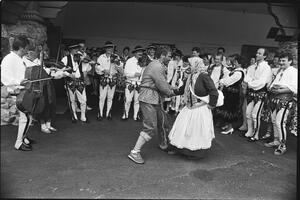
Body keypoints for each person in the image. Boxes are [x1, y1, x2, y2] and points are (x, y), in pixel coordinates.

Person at [127, 47, 175, 164]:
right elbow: (161, 85)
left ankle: (164, 144)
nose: (170, 58)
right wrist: (172, 92)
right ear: (162, 55)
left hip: (154, 98)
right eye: (169, 56)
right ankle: (134, 152)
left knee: (163, 122)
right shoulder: (157, 66)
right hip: (148, 98)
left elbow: (161, 83)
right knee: (150, 127)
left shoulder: (157, 65)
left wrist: (170, 88)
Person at [168, 54, 219, 159]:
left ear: (196, 65)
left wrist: (211, 105)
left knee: (196, 131)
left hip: (199, 108)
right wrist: (169, 92)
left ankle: (195, 153)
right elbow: (182, 89)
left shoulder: (204, 76)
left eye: (190, 64)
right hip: (189, 107)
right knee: (182, 129)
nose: (189, 66)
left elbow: (214, 92)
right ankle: (180, 149)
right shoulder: (191, 75)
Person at [1, 35, 33, 151]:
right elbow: (4, 78)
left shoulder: (21, 59)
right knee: (26, 117)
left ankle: (24, 138)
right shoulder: (8, 59)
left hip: (24, 92)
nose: (27, 50)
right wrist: (18, 82)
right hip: (17, 92)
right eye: (26, 48)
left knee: (28, 116)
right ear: (21, 47)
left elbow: (32, 68)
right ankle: (18, 143)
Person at [263, 53, 297, 155]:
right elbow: (273, 84)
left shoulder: (294, 72)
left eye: (284, 61)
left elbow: (295, 88)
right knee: (274, 120)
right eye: (280, 60)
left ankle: (282, 145)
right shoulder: (280, 71)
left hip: (285, 101)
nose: (281, 62)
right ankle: (276, 140)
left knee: (280, 122)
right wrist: (273, 88)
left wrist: (281, 90)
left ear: (290, 61)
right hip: (275, 100)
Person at [244, 48, 272, 141]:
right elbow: (247, 77)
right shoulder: (252, 66)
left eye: (260, 53)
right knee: (248, 113)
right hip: (252, 93)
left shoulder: (266, 68)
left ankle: (255, 135)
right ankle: (249, 131)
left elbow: (262, 82)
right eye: (257, 53)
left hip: (260, 94)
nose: (257, 55)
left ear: (264, 56)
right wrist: (250, 82)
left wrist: (250, 83)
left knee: (255, 115)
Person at [216, 54, 245, 134]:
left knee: (231, 110)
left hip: (234, 93)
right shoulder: (235, 71)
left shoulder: (239, 72)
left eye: (235, 62)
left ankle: (230, 127)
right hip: (230, 92)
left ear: (239, 63)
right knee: (227, 108)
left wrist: (221, 81)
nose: (234, 63)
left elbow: (229, 81)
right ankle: (228, 124)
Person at [61, 44, 89, 123]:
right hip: (70, 82)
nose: (77, 50)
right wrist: (69, 75)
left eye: (77, 49)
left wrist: (84, 56)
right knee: (72, 100)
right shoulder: (65, 59)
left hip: (80, 81)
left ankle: (83, 116)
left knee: (83, 100)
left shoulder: (80, 57)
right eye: (75, 49)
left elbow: (86, 63)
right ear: (71, 50)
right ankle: (74, 115)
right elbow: (62, 69)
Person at [95, 41, 123, 120]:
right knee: (102, 97)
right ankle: (100, 113)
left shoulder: (116, 56)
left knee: (110, 97)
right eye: (108, 48)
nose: (109, 49)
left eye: (111, 47)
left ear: (113, 48)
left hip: (112, 79)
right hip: (104, 78)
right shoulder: (101, 57)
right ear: (105, 48)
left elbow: (120, 67)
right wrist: (103, 70)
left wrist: (117, 63)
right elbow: (97, 66)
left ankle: (108, 113)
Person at [122, 45, 145, 120]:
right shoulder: (130, 61)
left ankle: (136, 116)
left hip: (139, 84)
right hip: (130, 82)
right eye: (138, 52)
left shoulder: (144, 62)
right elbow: (125, 73)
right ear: (135, 53)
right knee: (128, 100)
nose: (140, 53)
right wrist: (134, 74)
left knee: (137, 101)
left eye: (141, 52)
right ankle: (125, 114)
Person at [238, 57, 256, 131]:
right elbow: (245, 79)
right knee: (244, 108)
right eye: (251, 60)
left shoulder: (258, 69)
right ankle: (244, 124)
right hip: (246, 89)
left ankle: (251, 128)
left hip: (254, 91)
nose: (252, 61)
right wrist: (244, 88)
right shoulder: (249, 68)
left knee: (252, 112)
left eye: (253, 60)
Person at [166, 49, 185, 114]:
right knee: (171, 95)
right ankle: (169, 108)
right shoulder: (172, 62)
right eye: (175, 55)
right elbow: (169, 72)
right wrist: (168, 81)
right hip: (172, 79)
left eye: (177, 55)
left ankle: (178, 109)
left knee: (179, 95)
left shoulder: (183, 62)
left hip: (180, 80)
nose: (176, 57)